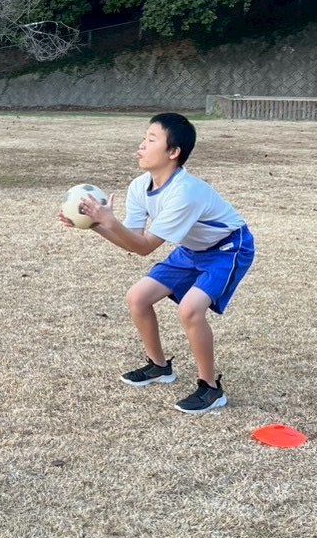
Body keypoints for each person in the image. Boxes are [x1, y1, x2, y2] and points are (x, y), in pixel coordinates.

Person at [60, 112, 255, 413]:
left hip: (228, 249)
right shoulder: (139, 186)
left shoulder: (185, 193)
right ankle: (159, 367)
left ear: (173, 152)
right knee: (137, 297)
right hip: (191, 249)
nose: (141, 145)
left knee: (190, 309)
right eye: (144, 138)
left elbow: (145, 247)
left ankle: (210, 389)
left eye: (151, 139)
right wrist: (96, 225)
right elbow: (133, 242)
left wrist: (107, 220)